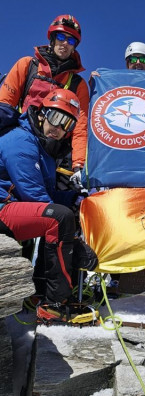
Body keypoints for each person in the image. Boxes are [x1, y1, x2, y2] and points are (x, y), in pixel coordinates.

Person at [0, 89, 87, 321]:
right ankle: (55, 303)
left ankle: (40, 291)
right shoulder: (20, 140)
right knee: (58, 219)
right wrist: (74, 242)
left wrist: (74, 200)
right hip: (3, 207)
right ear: (41, 114)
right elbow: (33, 194)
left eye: (66, 123)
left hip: (12, 206)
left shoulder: (43, 148)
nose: (59, 128)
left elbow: (47, 193)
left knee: (65, 214)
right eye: (56, 117)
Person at [0, 15, 89, 173]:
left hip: (57, 153)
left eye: (71, 41)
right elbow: (4, 106)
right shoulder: (27, 65)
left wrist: (78, 165)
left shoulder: (78, 84)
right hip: (23, 139)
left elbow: (80, 128)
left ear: (75, 46)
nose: (65, 44)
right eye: (61, 37)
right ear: (52, 39)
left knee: (64, 195)